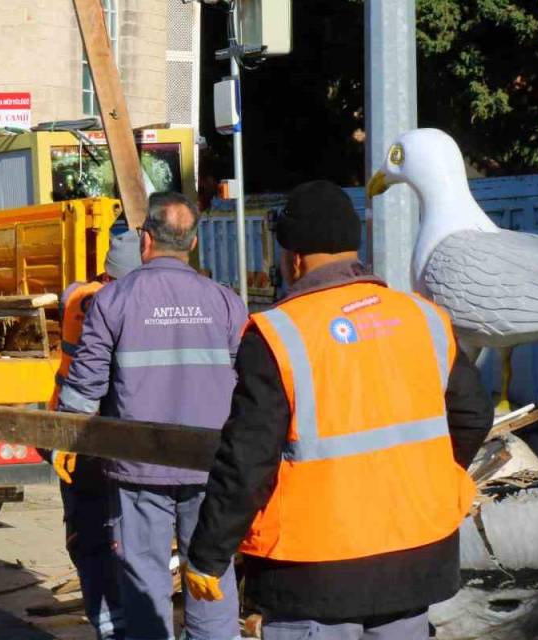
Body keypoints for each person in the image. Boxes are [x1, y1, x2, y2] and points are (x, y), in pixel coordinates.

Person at [184, 180, 492, 640]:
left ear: (294, 260)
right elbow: (472, 415)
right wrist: (428, 481)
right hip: (414, 557)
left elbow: (247, 457)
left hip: (313, 570)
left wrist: (209, 552)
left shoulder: (278, 334)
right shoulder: (424, 318)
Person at [58, 192, 246, 640]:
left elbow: (85, 389)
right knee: (210, 572)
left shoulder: (113, 300)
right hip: (209, 464)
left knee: (144, 578)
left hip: (138, 469)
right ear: (194, 242)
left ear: (145, 241)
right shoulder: (225, 301)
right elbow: (247, 384)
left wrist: (66, 441)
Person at [46, 229, 141, 639]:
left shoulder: (77, 296)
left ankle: (110, 625)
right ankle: (120, 625)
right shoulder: (124, 305)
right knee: (120, 536)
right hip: (103, 435)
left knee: (89, 537)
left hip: (73, 432)